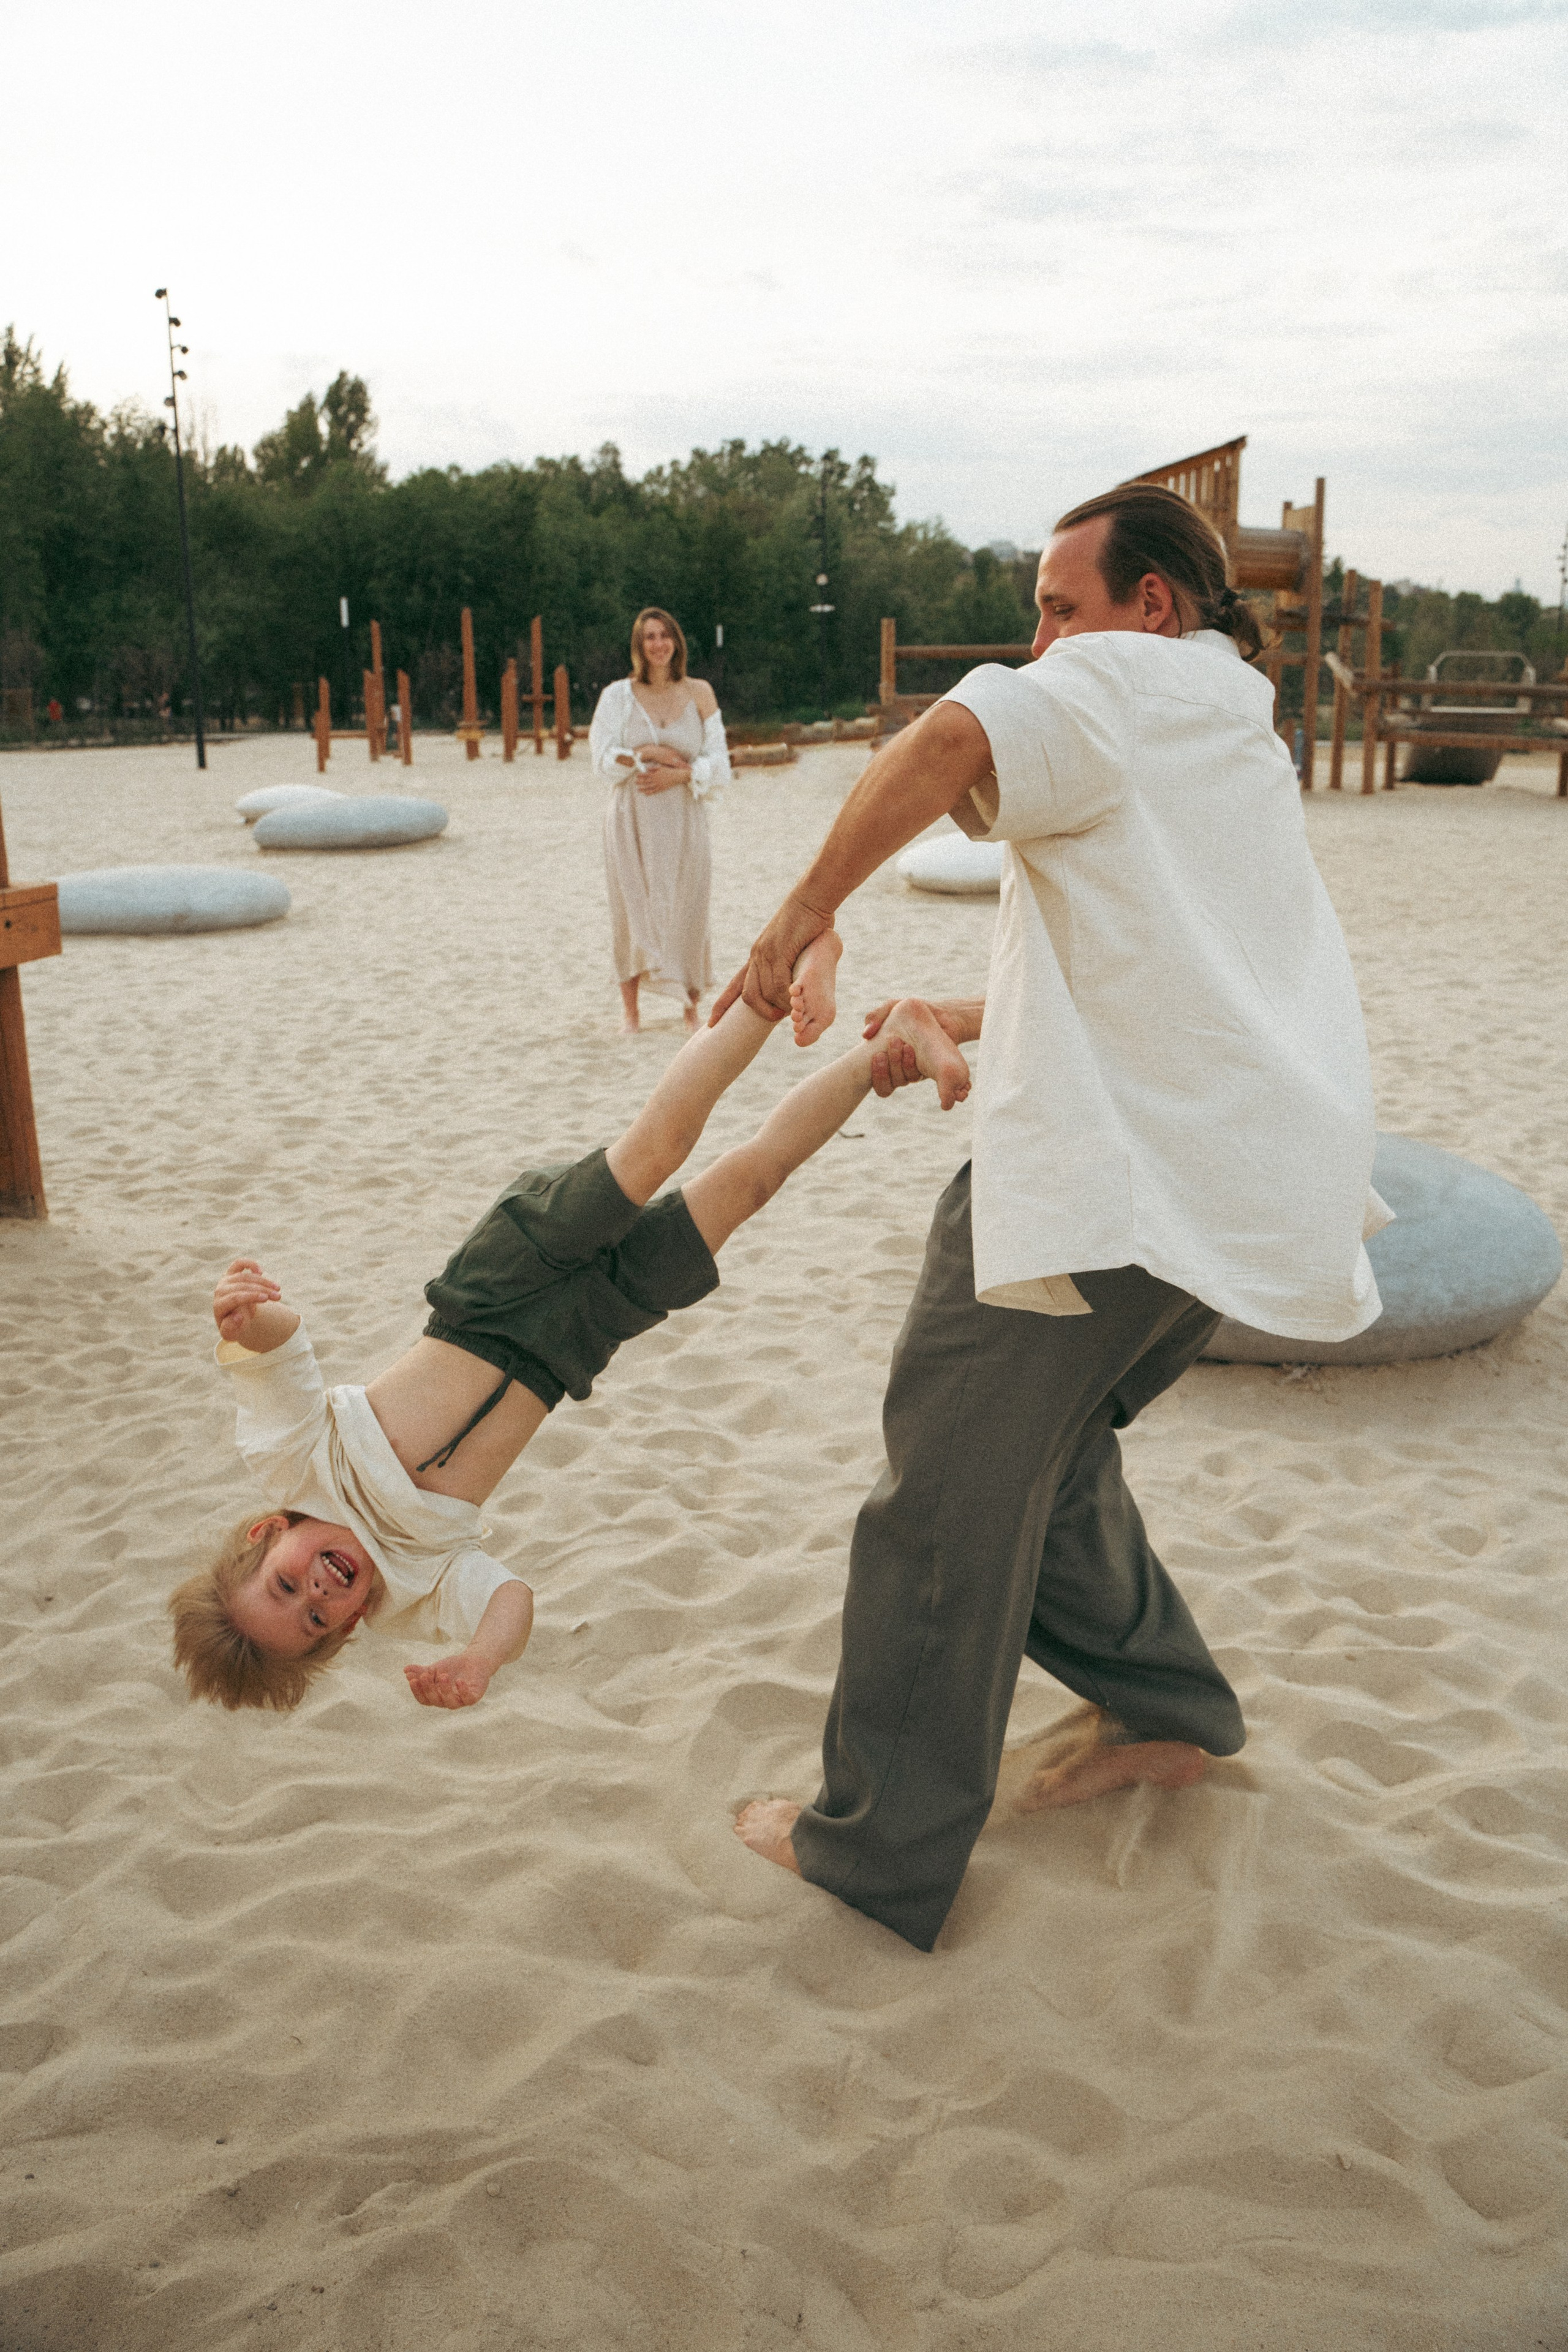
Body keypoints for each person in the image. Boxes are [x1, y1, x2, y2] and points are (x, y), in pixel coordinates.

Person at [717, 481, 1389, 1952]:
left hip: (1111, 1195)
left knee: (946, 1485)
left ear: (1149, 604)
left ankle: (875, 1847)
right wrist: (979, 1007)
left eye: (1056, 609)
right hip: (1235, 1184)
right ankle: (1163, 1710)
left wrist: (802, 912)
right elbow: (1174, 954)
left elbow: (945, 741)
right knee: (1055, 1460)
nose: (1040, 645)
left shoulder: (1124, 681)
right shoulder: (1230, 722)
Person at [169, 935, 973, 1714]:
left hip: (496, 1286)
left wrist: (245, 1314)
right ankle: (884, 1050)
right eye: (315, 1618)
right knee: (748, 1185)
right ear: (345, 1633)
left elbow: (281, 1351)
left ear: (266, 1534)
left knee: (659, 1145)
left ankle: (777, 974)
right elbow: (510, 1600)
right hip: (577, 1341)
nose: (316, 1590)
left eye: (285, 1583)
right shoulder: (414, 1592)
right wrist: (482, 1658)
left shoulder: (291, 1460)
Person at [590, 607, 733, 1035]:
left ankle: (690, 1009)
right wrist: (647, 755)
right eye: (649, 637)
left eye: (665, 635)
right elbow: (602, 759)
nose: (658, 644)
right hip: (631, 818)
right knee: (631, 908)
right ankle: (631, 1014)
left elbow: (721, 764)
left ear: (677, 642)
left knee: (689, 904)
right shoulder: (618, 696)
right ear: (639, 646)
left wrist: (681, 775)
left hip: (685, 818)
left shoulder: (700, 692)